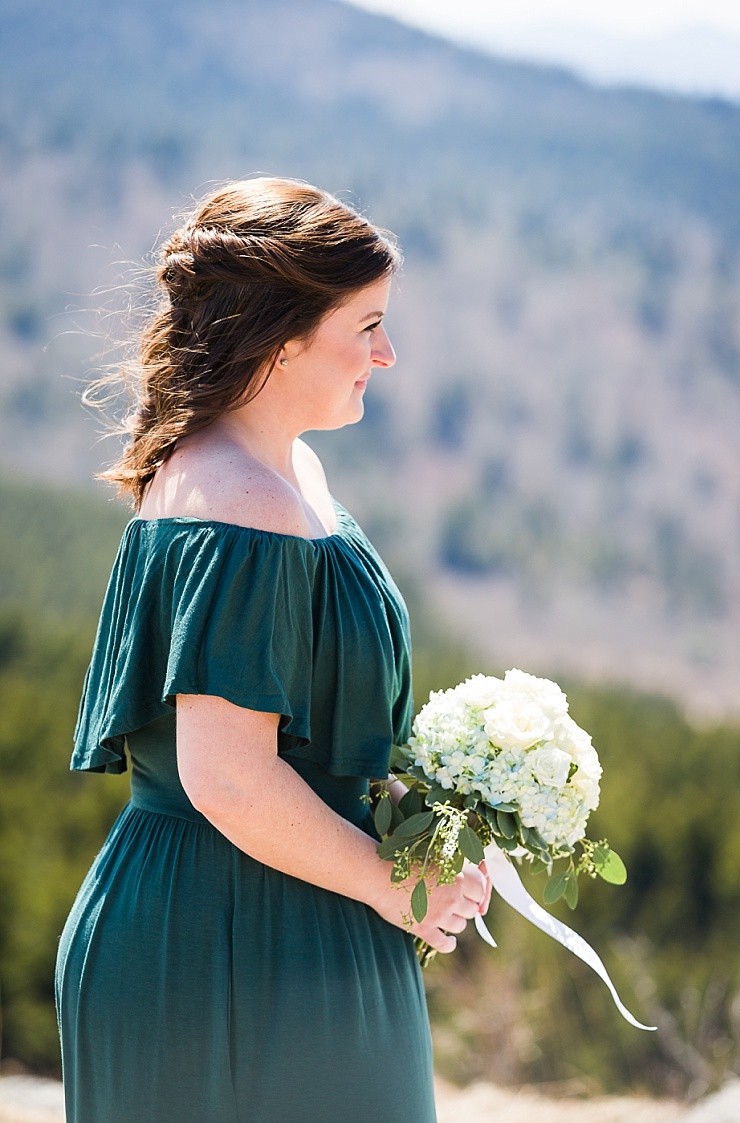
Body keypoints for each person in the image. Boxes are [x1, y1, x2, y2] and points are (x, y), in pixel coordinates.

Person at [56, 178, 492, 1122]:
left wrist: (435, 831)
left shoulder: (286, 471)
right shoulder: (241, 504)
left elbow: (310, 729)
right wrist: (395, 886)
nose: (387, 352)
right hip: (231, 947)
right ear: (283, 336)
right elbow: (230, 779)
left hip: (296, 916)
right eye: (365, 325)